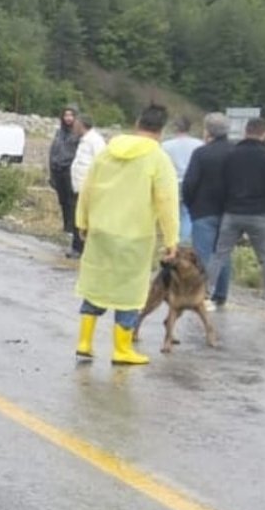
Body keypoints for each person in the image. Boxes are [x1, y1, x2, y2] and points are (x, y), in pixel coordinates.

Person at [74, 104, 180, 366]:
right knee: (130, 292)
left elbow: (88, 187)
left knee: (96, 285)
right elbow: (166, 200)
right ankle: (121, 349)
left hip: (101, 230)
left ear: (137, 122)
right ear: (161, 130)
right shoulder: (158, 158)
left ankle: (84, 343)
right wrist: (171, 239)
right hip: (135, 235)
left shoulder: (108, 151)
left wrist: (82, 221)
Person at [201, 118, 265, 315]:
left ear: (245, 132)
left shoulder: (231, 154)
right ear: (264, 133)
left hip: (232, 212)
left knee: (219, 254)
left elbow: (221, 183)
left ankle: (205, 296)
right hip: (259, 212)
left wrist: (226, 205)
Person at [183, 113, 233, 310]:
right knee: (223, 252)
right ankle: (221, 293)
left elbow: (190, 183)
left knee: (203, 253)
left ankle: (204, 292)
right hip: (229, 210)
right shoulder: (236, 152)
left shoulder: (201, 153)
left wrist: (190, 204)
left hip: (203, 209)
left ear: (207, 131)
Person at [68, 114, 106, 258]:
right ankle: (76, 246)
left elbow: (101, 163)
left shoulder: (95, 141)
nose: (73, 127)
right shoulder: (83, 140)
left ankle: (81, 248)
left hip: (88, 188)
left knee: (83, 219)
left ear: (81, 125)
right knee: (77, 217)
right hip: (78, 187)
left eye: (76, 124)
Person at [161, 116, 203, 244]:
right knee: (187, 213)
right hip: (191, 181)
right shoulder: (199, 144)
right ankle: (184, 242)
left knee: (171, 213)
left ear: (175, 128)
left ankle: (170, 240)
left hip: (172, 182)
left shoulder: (165, 145)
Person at [49, 107, 80, 238]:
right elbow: (52, 151)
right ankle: (65, 226)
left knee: (71, 200)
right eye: (66, 115)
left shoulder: (78, 134)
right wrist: (51, 173)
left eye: (71, 115)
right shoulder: (59, 133)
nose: (68, 118)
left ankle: (72, 228)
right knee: (62, 200)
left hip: (70, 170)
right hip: (57, 169)